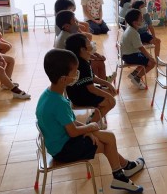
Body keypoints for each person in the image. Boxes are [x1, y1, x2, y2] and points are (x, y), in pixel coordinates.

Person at [36, 49, 145, 192]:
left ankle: (123, 171)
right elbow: (73, 131)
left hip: (59, 142)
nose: (77, 75)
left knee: (107, 137)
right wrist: (89, 128)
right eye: (74, 72)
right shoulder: (59, 103)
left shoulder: (48, 94)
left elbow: (71, 122)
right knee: (107, 142)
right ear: (63, 79)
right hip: (64, 149)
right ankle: (121, 174)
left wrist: (90, 130)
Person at [65, 33, 117, 130]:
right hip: (81, 96)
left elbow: (92, 78)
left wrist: (107, 83)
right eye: (89, 45)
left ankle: (96, 115)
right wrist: (108, 96)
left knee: (110, 92)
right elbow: (92, 88)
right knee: (111, 101)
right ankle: (91, 124)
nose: (92, 46)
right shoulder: (83, 65)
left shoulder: (80, 60)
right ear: (82, 49)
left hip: (80, 93)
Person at [54, 11, 116, 83]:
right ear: (67, 26)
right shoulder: (68, 38)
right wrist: (94, 57)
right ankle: (96, 84)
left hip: (72, 61)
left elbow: (82, 51)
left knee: (97, 60)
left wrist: (96, 55)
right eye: (75, 21)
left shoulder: (68, 33)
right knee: (97, 63)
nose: (78, 24)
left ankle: (102, 82)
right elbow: (82, 54)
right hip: (68, 67)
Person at [120, 9, 156, 90]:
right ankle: (137, 78)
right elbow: (141, 48)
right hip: (130, 56)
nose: (143, 20)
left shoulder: (130, 29)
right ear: (135, 22)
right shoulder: (134, 32)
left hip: (127, 54)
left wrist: (147, 56)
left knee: (145, 59)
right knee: (152, 63)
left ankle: (134, 74)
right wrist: (150, 57)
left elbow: (138, 46)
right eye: (141, 18)